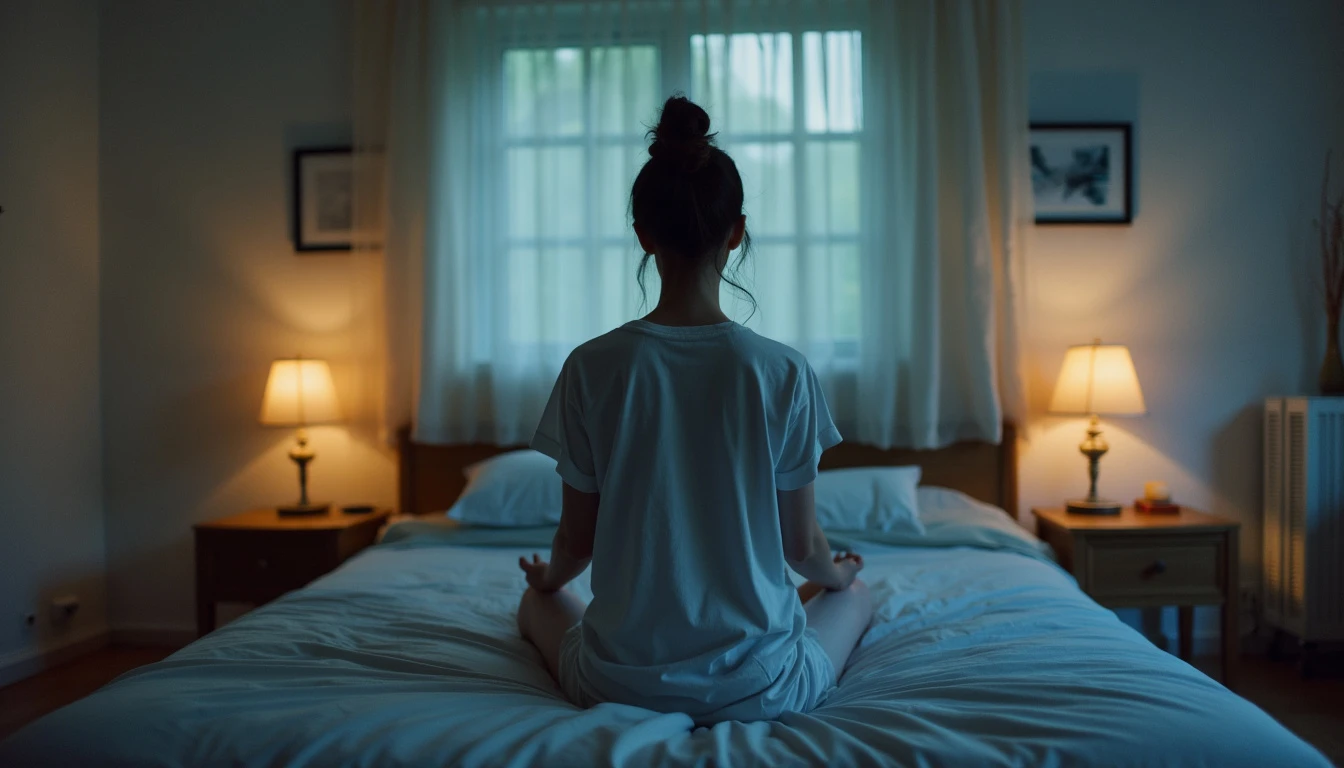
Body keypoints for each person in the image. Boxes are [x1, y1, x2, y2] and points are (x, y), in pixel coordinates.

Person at [516, 95, 873, 725]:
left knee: (536, 602)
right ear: (736, 232)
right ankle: (827, 595)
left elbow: (577, 539)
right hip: (761, 688)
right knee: (853, 593)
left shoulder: (591, 366)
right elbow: (800, 544)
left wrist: (549, 580)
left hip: (618, 687)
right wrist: (838, 575)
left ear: (643, 235)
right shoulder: (782, 370)